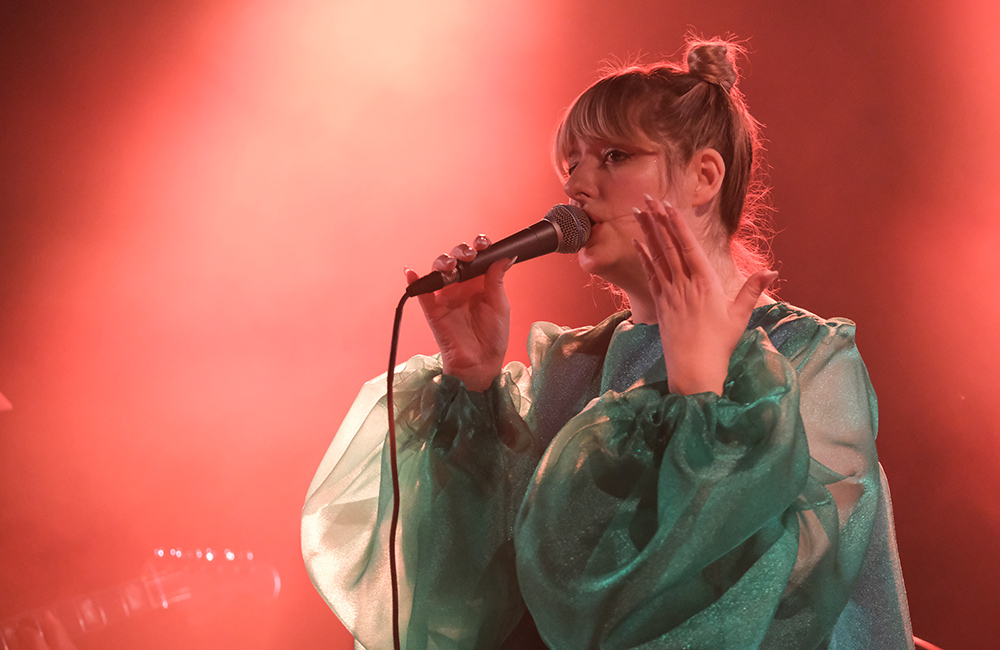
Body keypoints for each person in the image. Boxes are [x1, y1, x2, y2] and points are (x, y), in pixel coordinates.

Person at [301, 37, 913, 649]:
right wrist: (474, 382)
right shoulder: (574, 367)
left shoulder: (804, 357)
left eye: (614, 156)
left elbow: (762, 608)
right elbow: (472, 599)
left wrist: (701, 397)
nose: (576, 186)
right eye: (571, 164)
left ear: (704, 176)